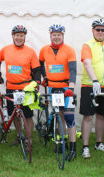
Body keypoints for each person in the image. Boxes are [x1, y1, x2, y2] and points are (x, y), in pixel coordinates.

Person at [79, 18, 104, 158]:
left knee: (101, 115)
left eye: (103, 30)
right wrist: (94, 80)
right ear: (93, 30)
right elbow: (87, 63)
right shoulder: (87, 45)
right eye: (98, 29)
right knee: (88, 116)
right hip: (89, 85)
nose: (101, 32)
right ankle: (85, 147)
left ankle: (98, 143)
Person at [0, 25, 41, 145]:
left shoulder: (30, 51)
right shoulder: (6, 49)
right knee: (14, 113)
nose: (19, 38)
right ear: (13, 36)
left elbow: (36, 69)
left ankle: (28, 140)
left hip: (26, 88)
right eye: (17, 35)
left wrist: (36, 82)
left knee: (28, 115)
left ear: (25, 37)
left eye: (21, 35)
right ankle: (19, 136)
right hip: (11, 87)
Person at [39, 24, 77, 161]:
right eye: (54, 34)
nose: (56, 37)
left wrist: (71, 88)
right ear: (50, 35)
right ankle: (62, 143)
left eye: (59, 34)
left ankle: (73, 149)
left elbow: (73, 71)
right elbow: (39, 64)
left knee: (69, 117)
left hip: (66, 87)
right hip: (52, 88)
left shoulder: (69, 50)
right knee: (59, 116)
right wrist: (44, 78)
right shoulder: (44, 50)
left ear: (63, 36)